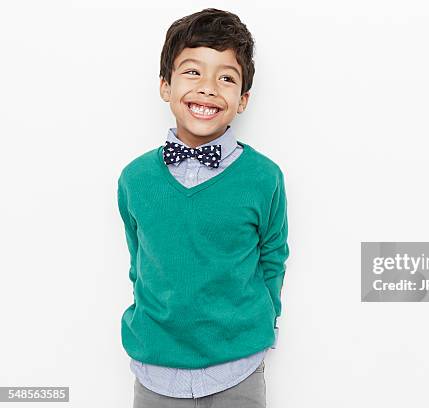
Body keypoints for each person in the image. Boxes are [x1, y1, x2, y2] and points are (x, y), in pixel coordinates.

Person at [116, 8, 289, 407]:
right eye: (193, 72)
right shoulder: (135, 178)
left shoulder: (264, 178)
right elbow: (139, 257)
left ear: (243, 99)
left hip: (238, 367)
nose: (209, 87)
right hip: (155, 368)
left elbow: (272, 256)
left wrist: (265, 323)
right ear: (165, 85)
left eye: (226, 77)